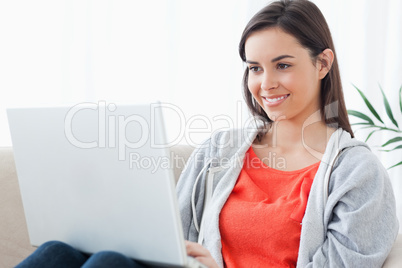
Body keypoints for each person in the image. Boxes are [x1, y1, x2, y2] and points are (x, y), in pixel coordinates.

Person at [16, 0, 399, 267]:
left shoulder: (357, 174)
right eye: (254, 68)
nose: (265, 83)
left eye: (282, 65)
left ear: (322, 63)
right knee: (58, 251)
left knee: (108, 263)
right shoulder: (220, 149)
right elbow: (173, 240)